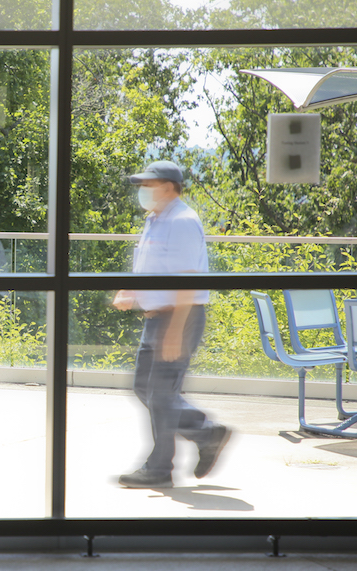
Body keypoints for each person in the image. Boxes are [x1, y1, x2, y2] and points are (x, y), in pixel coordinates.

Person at [112, 160, 231, 488]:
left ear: (168, 187)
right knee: (144, 388)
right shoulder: (155, 220)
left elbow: (186, 281)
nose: (143, 191)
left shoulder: (182, 221)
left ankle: (159, 469)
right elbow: (151, 267)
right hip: (155, 318)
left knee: (162, 394)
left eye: (148, 185)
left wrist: (175, 329)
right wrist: (131, 291)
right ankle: (206, 433)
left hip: (179, 316)